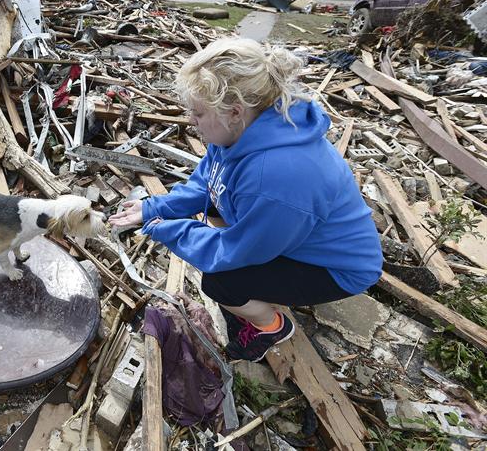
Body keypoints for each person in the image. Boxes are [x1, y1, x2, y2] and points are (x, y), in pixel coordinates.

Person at [108, 38, 383, 362]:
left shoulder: (276, 177)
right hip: (297, 237)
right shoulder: (238, 131)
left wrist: (165, 229)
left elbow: (231, 253)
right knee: (221, 218)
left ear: (235, 111)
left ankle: (271, 326)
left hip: (337, 268)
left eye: (198, 112)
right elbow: (208, 185)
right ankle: (268, 288)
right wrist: (153, 207)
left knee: (222, 282)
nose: (191, 120)